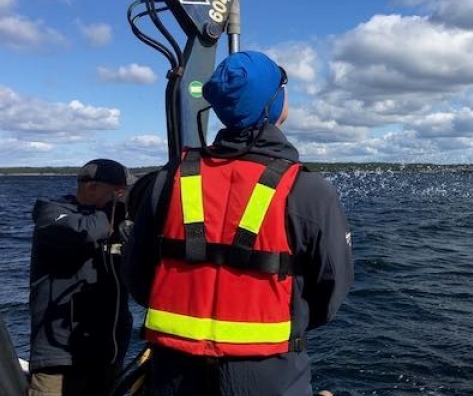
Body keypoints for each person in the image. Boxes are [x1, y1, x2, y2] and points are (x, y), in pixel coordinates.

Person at [123, 51, 353, 396]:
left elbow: (138, 277)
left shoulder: (168, 180)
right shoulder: (308, 190)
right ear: (273, 102)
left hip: (174, 372)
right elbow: (329, 293)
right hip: (268, 376)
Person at [28, 159, 135, 396]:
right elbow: (84, 232)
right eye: (119, 192)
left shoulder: (117, 222)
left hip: (108, 355)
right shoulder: (52, 213)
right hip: (61, 357)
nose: (124, 199)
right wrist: (114, 210)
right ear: (91, 187)